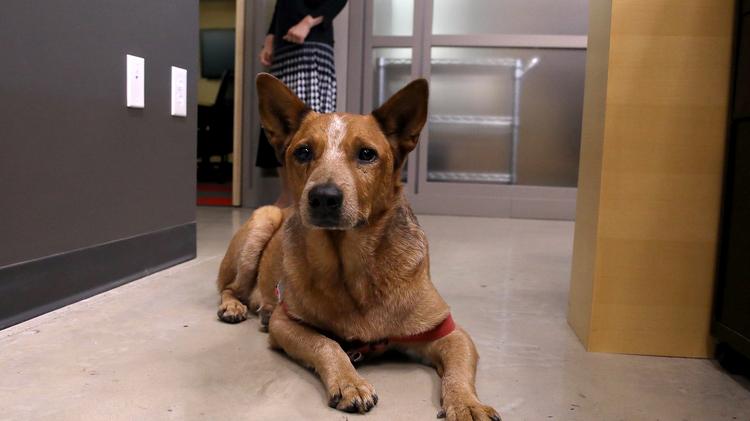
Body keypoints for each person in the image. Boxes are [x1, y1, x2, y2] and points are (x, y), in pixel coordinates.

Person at [256, 0, 347, 207]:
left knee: (312, 127)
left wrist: (307, 22)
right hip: (283, 49)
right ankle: (289, 196)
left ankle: (309, 195)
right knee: (281, 127)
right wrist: (270, 40)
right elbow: (281, 6)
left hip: (311, 45)